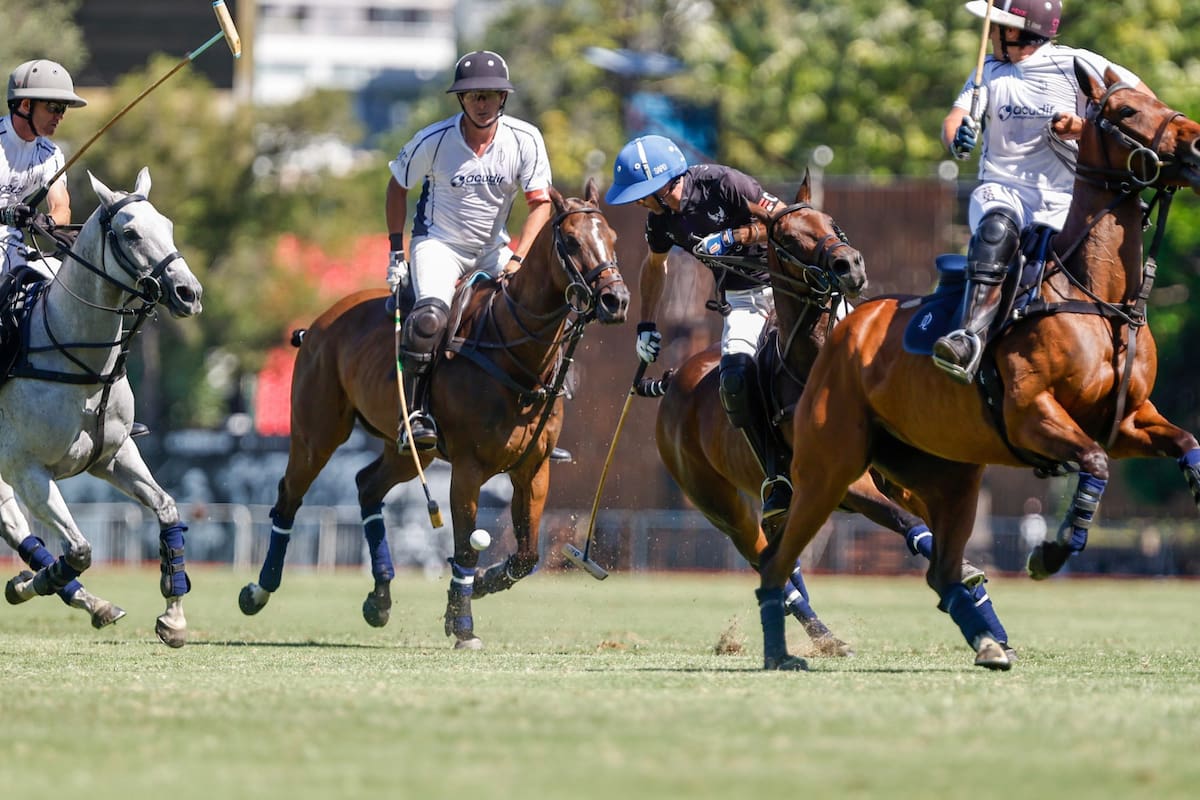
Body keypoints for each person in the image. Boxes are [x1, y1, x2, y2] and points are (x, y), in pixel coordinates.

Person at [933, 0, 1155, 384]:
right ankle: (968, 337)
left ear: (1018, 30)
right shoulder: (988, 71)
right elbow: (955, 119)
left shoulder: (1078, 63)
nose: (994, 35)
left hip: (1069, 200)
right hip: (1005, 191)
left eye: (1000, 26)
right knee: (996, 229)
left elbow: (1147, 111)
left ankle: (1127, 339)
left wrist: (1085, 128)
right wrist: (958, 138)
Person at [605, 134, 792, 523]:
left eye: (641, 193)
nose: (638, 201)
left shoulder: (724, 183)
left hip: (790, 284)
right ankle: (777, 476)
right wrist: (645, 325)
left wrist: (734, 236)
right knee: (735, 378)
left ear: (663, 184)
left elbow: (784, 221)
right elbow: (655, 267)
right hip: (744, 299)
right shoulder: (660, 222)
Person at [385, 50, 554, 453]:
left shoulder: (525, 139)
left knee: (541, 309)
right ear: (461, 99)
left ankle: (542, 417)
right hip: (438, 244)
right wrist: (396, 252)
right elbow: (397, 186)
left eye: (491, 95)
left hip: (494, 249)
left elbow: (542, 204)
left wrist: (518, 258)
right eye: (474, 95)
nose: (483, 103)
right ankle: (416, 413)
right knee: (429, 318)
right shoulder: (434, 140)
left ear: (503, 99)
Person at [1, 59, 86, 280]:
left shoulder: (50, 154)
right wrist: (5, 214)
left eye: (63, 109)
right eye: (53, 107)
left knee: (63, 282)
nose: (60, 116)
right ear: (26, 105)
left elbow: (62, 208)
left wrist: (47, 221)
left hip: (11, 249)